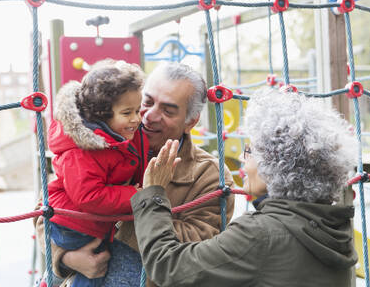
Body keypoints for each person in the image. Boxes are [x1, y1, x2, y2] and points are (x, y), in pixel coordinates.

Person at [131, 88, 359, 287]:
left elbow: (167, 266)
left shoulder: (260, 235)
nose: (241, 157)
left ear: (275, 164)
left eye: (249, 151)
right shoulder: (337, 228)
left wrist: (153, 194)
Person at [35, 62, 235, 286]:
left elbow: (198, 244)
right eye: (146, 102)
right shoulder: (101, 145)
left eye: (167, 110)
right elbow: (47, 210)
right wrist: (66, 258)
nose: (149, 116)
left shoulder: (208, 175)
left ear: (191, 121)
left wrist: (143, 203)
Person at [42, 59, 148, 287]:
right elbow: (89, 195)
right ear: (101, 116)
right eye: (127, 112)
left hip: (84, 220)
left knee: (90, 270)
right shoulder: (82, 151)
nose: (137, 119)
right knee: (93, 272)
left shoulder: (117, 137)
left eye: (138, 110)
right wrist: (134, 195)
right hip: (71, 224)